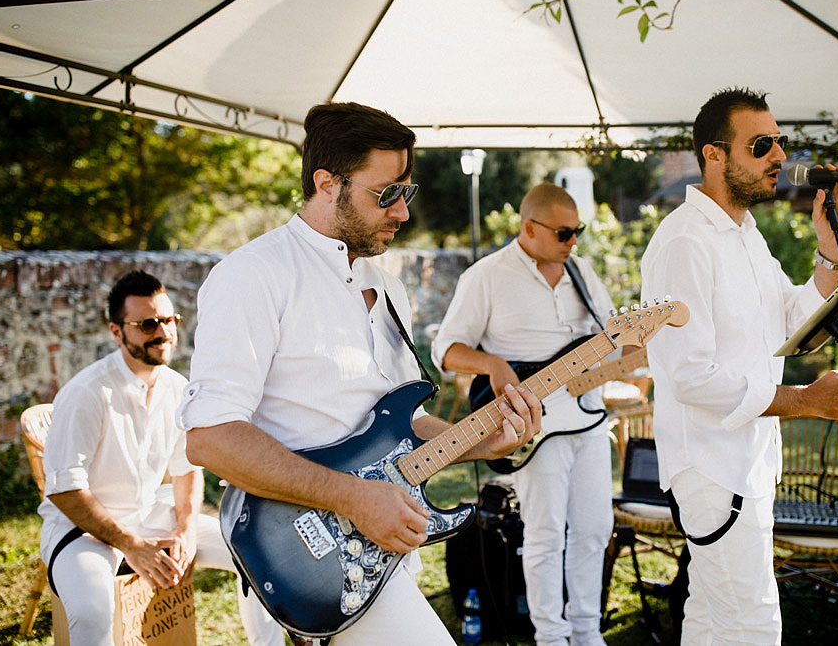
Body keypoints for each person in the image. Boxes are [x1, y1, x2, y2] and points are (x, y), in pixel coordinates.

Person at [178, 101, 541, 645]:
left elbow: (403, 427)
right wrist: (349, 496)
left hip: (386, 545)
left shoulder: (389, 289)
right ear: (327, 184)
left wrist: (481, 441)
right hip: (307, 546)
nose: (402, 212)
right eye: (385, 194)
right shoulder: (252, 276)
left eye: (406, 192)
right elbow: (210, 438)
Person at [639, 87, 838, 644]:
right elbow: (688, 376)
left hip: (746, 460)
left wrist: (833, 244)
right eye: (761, 145)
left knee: (711, 620)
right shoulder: (685, 241)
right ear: (713, 155)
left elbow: (795, 320)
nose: (779, 156)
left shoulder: (746, 236)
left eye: (780, 142)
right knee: (753, 626)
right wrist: (808, 400)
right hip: (712, 467)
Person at [38, 270, 282, 646]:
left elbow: (186, 471)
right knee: (92, 615)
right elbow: (65, 490)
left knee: (254, 554)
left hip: (151, 515)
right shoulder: (87, 392)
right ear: (117, 332)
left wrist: (185, 527)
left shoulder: (176, 387)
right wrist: (132, 546)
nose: (164, 332)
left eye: (169, 320)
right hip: (82, 531)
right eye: (148, 324)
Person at [432, 182, 617, 646]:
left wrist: (636, 346)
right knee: (546, 532)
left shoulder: (583, 273)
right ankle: (550, 637)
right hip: (531, 426)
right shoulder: (486, 275)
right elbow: (445, 349)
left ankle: (587, 632)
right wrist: (491, 364)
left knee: (595, 530)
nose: (573, 241)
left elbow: (615, 333)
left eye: (578, 232)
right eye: (563, 233)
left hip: (589, 420)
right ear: (529, 228)